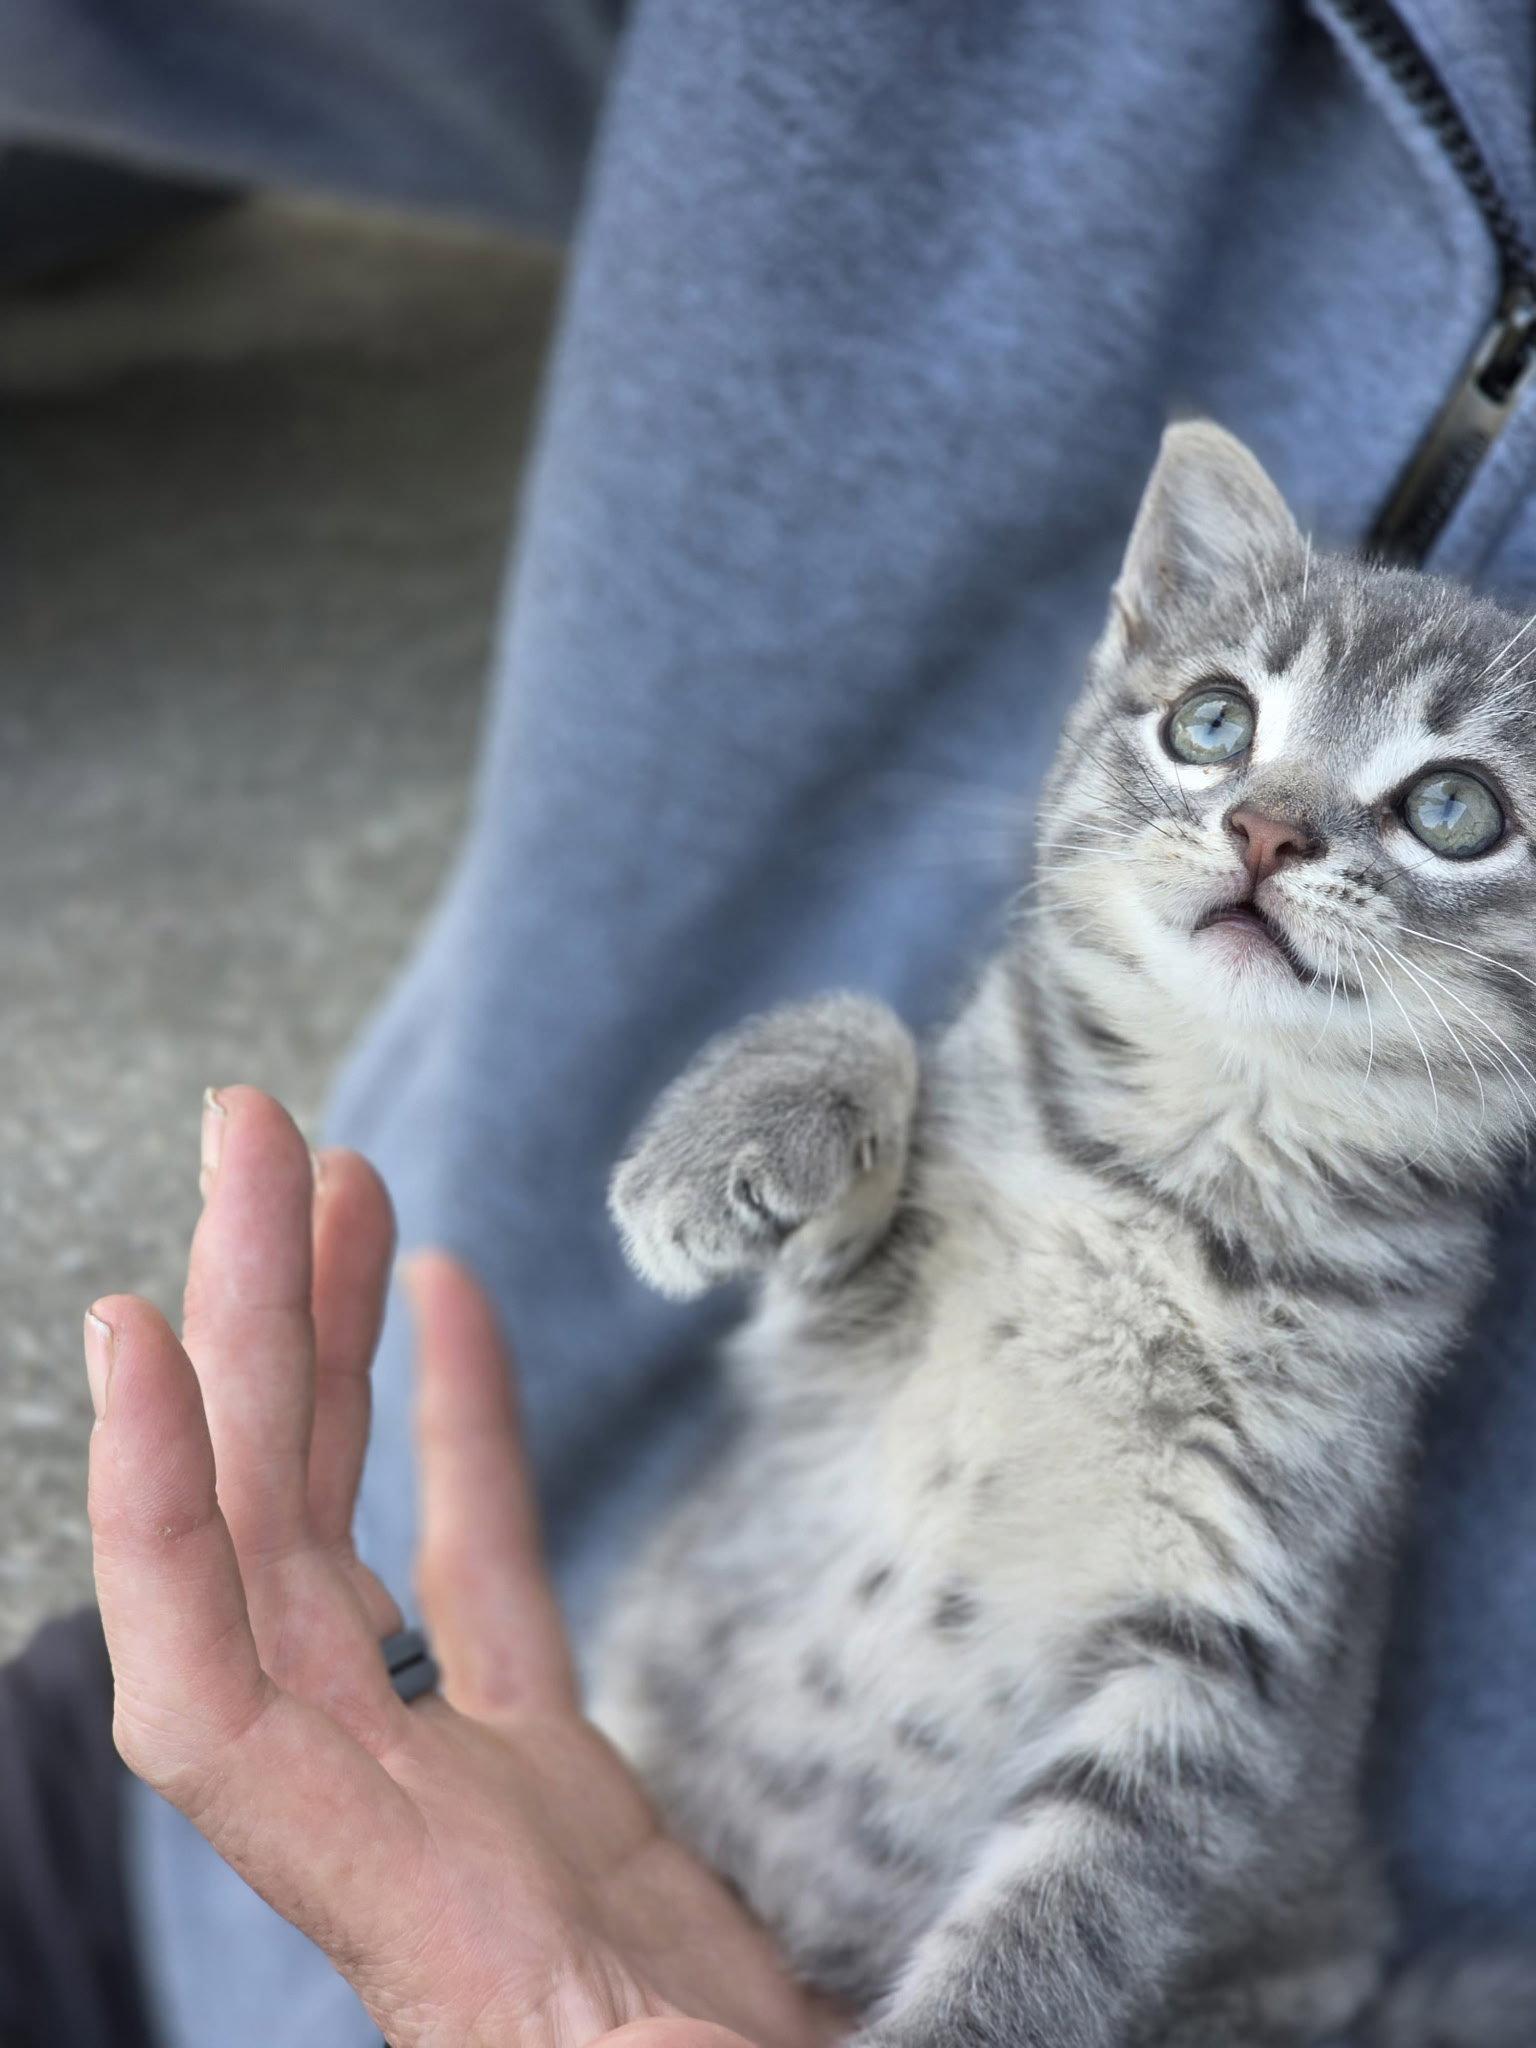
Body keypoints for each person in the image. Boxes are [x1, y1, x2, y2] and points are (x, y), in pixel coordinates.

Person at [3, 1, 1536, 2041]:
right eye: (1212, 727)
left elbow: (1172, 1775)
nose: (1270, 829)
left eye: (1446, 806)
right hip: (322, 1710)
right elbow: (824, 1309)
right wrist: (830, 1123)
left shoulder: (1362, 1288)